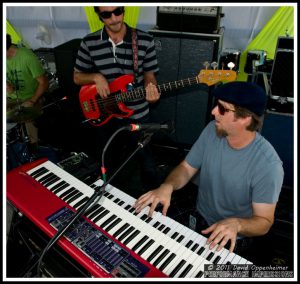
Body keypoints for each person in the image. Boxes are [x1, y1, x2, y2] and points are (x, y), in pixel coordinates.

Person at [134, 81, 284, 256]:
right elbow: (186, 168)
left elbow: (264, 221)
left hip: (230, 235)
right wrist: (168, 186)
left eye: (222, 108)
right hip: (200, 213)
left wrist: (238, 224)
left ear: (245, 118)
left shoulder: (268, 166)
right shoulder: (212, 130)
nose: (213, 112)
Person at [73, 6, 161, 190]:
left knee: (147, 161)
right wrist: (96, 77)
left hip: (137, 113)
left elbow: (149, 74)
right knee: (107, 160)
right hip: (105, 113)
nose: (114, 18)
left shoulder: (144, 40)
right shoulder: (89, 42)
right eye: (106, 14)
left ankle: (156, 201)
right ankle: (112, 198)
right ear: (99, 16)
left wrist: (150, 88)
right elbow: (77, 77)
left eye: (118, 11)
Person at [6, 33, 49, 151]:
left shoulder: (26, 57)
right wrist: (8, 88)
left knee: (28, 121)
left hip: (31, 97)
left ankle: (34, 149)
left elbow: (44, 83)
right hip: (10, 98)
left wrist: (32, 100)